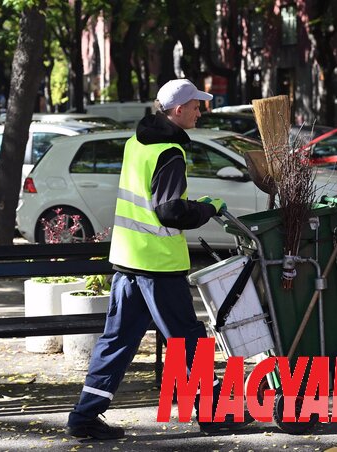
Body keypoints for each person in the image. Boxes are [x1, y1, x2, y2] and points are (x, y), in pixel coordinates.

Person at [67, 79, 252, 439]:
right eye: (197, 105)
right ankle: (214, 416)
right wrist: (207, 207)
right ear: (178, 110)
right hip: (158, 267)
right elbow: (169, 211)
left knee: (116, 342)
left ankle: (84, 418)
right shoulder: (169, 151)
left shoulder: (137, 143)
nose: (201, 111)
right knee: (188, 343)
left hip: (128, 261)